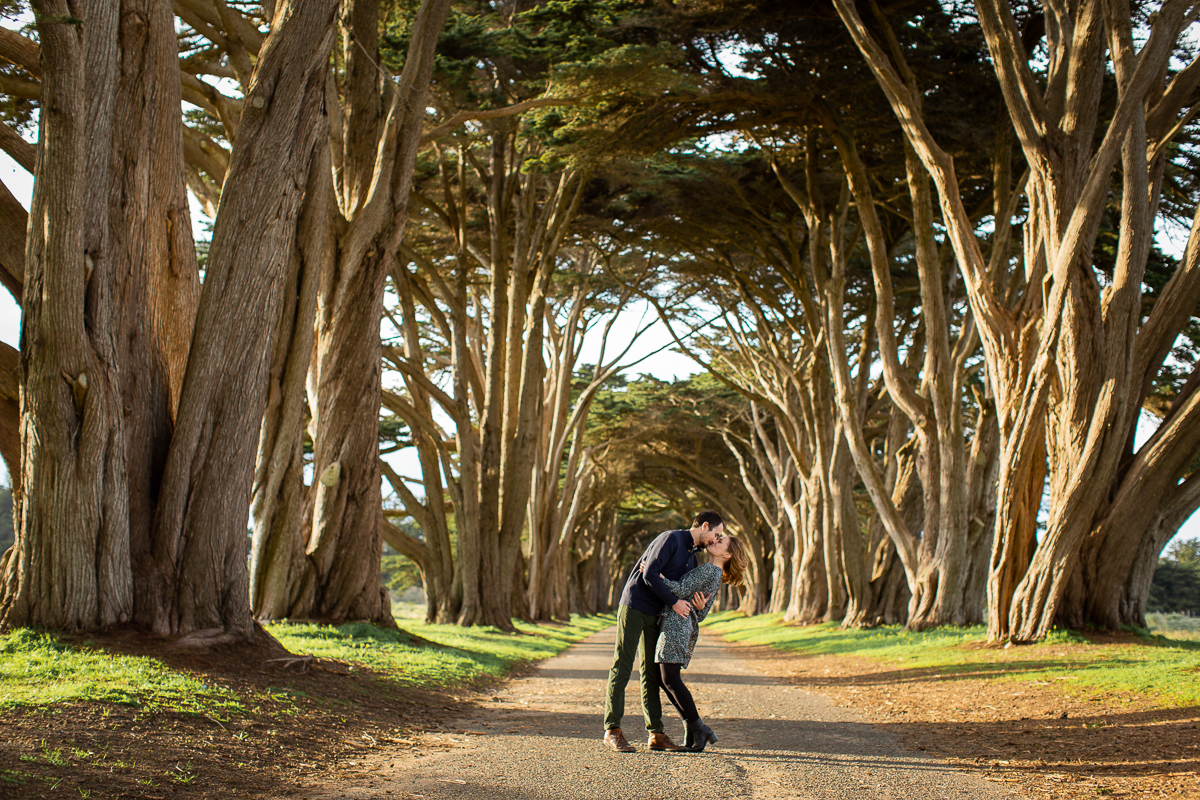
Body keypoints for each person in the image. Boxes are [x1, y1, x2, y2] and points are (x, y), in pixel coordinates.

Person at [602, 510, 725, 753]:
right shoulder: (671, 538)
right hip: (635, 606)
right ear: (705, 526)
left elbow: (681, 589)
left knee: (651, 672)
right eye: (716, 534)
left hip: (658, 615)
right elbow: (648, 574)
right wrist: (675, 601)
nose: (715, 540)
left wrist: (697, 606)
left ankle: (656, 733)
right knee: (623, 664)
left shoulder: (693, 559)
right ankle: (612, 729)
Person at [653, 534, 749, 752]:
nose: (714, 541)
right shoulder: (714, 573)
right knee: (664, 679)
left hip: (677, 626)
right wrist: (698, 607)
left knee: (670, 679)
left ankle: (699, 727)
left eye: (720, 541)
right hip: (680, 624)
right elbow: (703, 612)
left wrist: (657, 576)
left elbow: (678, 590)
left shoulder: (710, 570)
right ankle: (692, 728)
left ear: (727, 554)